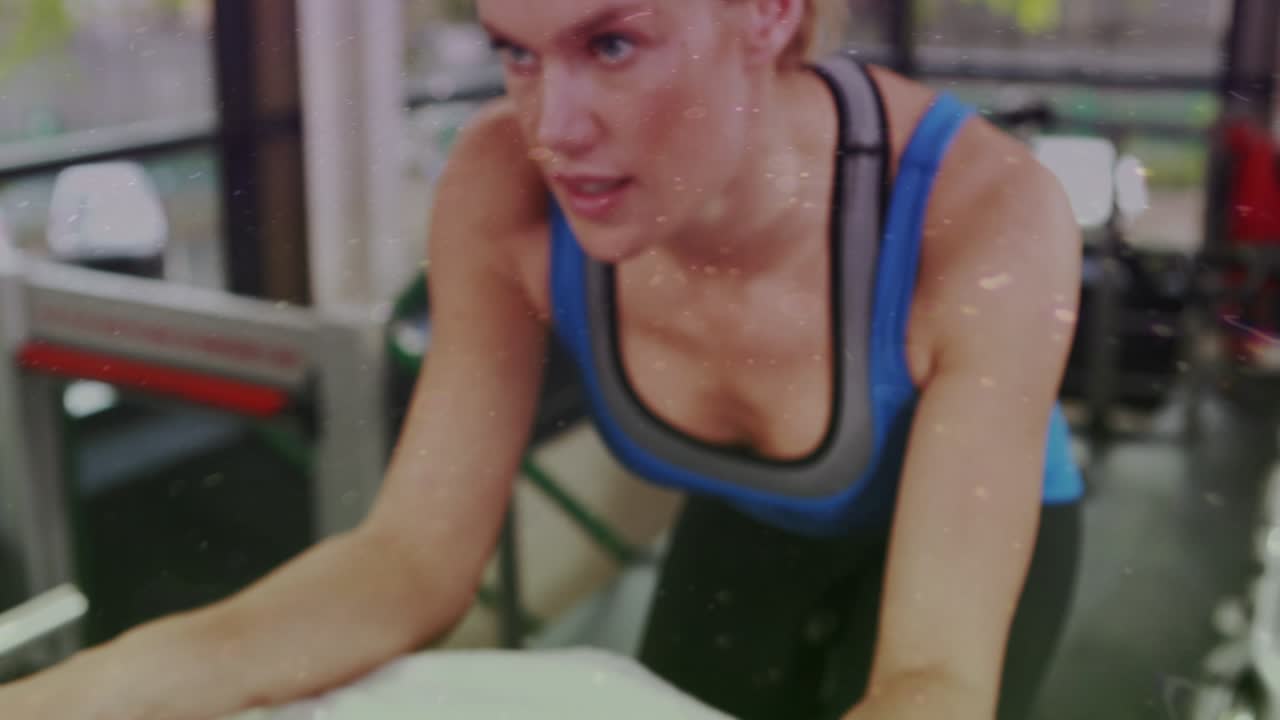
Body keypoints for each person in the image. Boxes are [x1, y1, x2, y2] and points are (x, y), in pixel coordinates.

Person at [1, 1, 1084, 718]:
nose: (551, 128)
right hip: (757, 516)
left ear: (768, 12)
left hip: (977, 544)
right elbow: (407, 564)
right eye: (517, 51)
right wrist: (71, 698)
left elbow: (930, 676)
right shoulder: (501, 184)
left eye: (609, 44)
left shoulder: (984, 218)